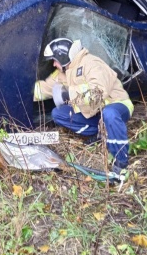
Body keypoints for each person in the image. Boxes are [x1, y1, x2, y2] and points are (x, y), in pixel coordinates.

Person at [34, 38, 134, 174]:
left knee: (109, 113)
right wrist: (20, 92)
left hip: (116, 105)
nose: (54, 64)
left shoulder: (91, 63)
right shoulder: (64, 72)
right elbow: (44, 89)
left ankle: (121, 162)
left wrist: (68, 94)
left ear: (63, 58)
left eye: (55, 60)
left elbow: (98, 93)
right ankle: (100, 133)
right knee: (58, 114)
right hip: (94, 113)